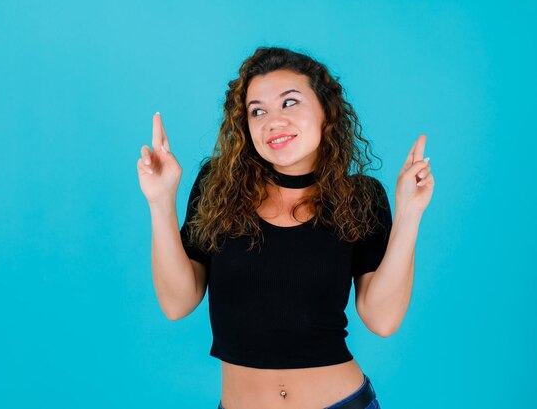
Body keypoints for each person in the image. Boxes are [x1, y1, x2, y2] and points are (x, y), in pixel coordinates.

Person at [137, 47, 434, 409]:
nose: (272, 121)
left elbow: (382, 319)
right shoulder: (218, 187)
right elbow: (176, 303)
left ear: (327, 113)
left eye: (289, 103)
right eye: (257, 110)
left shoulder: (360, 198)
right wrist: (160, 200)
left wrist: (409, 213)